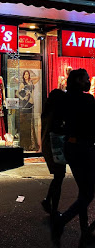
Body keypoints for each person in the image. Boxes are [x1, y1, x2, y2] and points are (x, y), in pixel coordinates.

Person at [52, 68, 95, 247]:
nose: (88, 82)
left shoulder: (65, 99)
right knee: (88, 193)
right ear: (79, 80)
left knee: (83, 190)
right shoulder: (87, 99)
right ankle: (62, 220)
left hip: (71, 147)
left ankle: (84, 229)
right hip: (85, 148)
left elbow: (58, 123)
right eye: (86, 79)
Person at [41, 89, 66, 217]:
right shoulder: (56, 114)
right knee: (59, 175)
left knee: (58, 176)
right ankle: (53, 209)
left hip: (49, 146)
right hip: (55, 147)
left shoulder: (47, 112)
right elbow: (59, 129)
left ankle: (48, 202)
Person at [19, 70, 40, 151]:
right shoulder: (22, 84)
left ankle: (31, 144)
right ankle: (25, 144)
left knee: (31, 123)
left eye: (27, 74)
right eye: (25, 74)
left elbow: (38, 78)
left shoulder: (31, 83)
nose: (26, 76)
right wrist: (23, 98)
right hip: (25, 105)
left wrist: (30, 78)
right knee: (26, 124)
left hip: (31, 105)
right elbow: (18, 93)